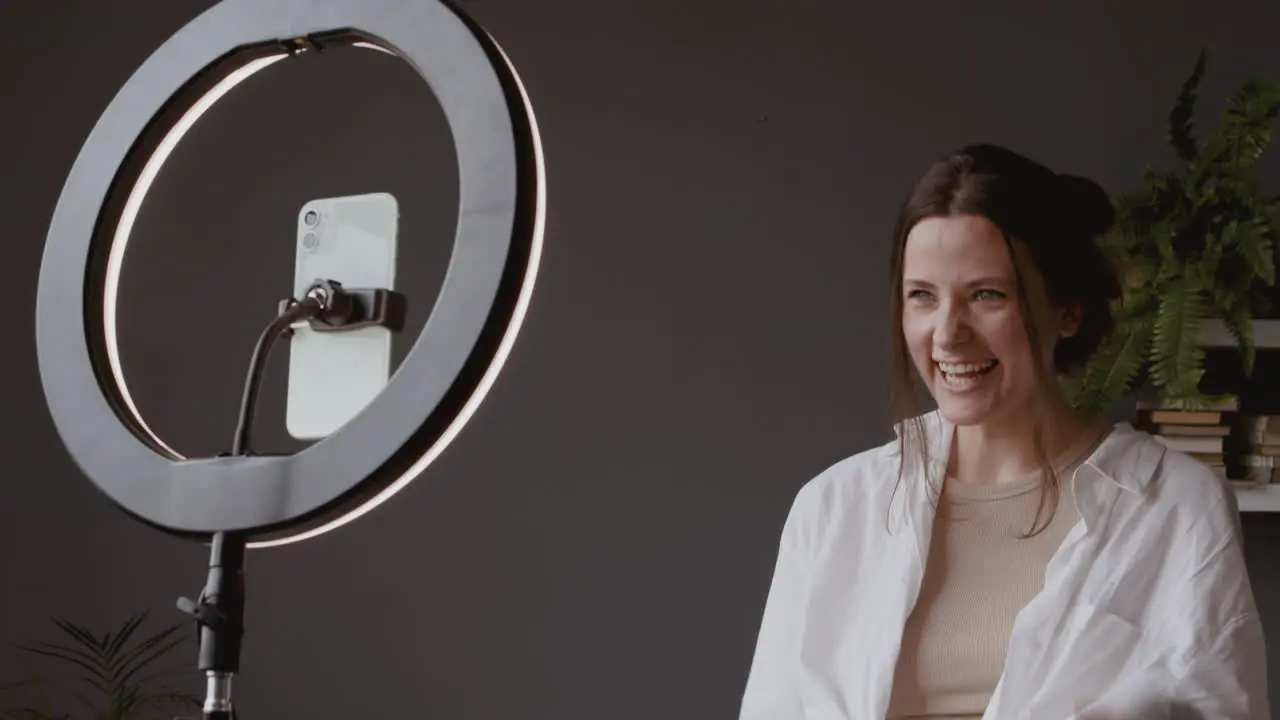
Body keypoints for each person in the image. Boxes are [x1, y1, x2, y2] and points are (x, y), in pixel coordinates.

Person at [737, 143, 1269, 719]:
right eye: (922, 297)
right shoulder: (834, 509)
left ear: (1067, 309)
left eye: (986, 295)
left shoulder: (1175, 507)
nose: (947, 334)